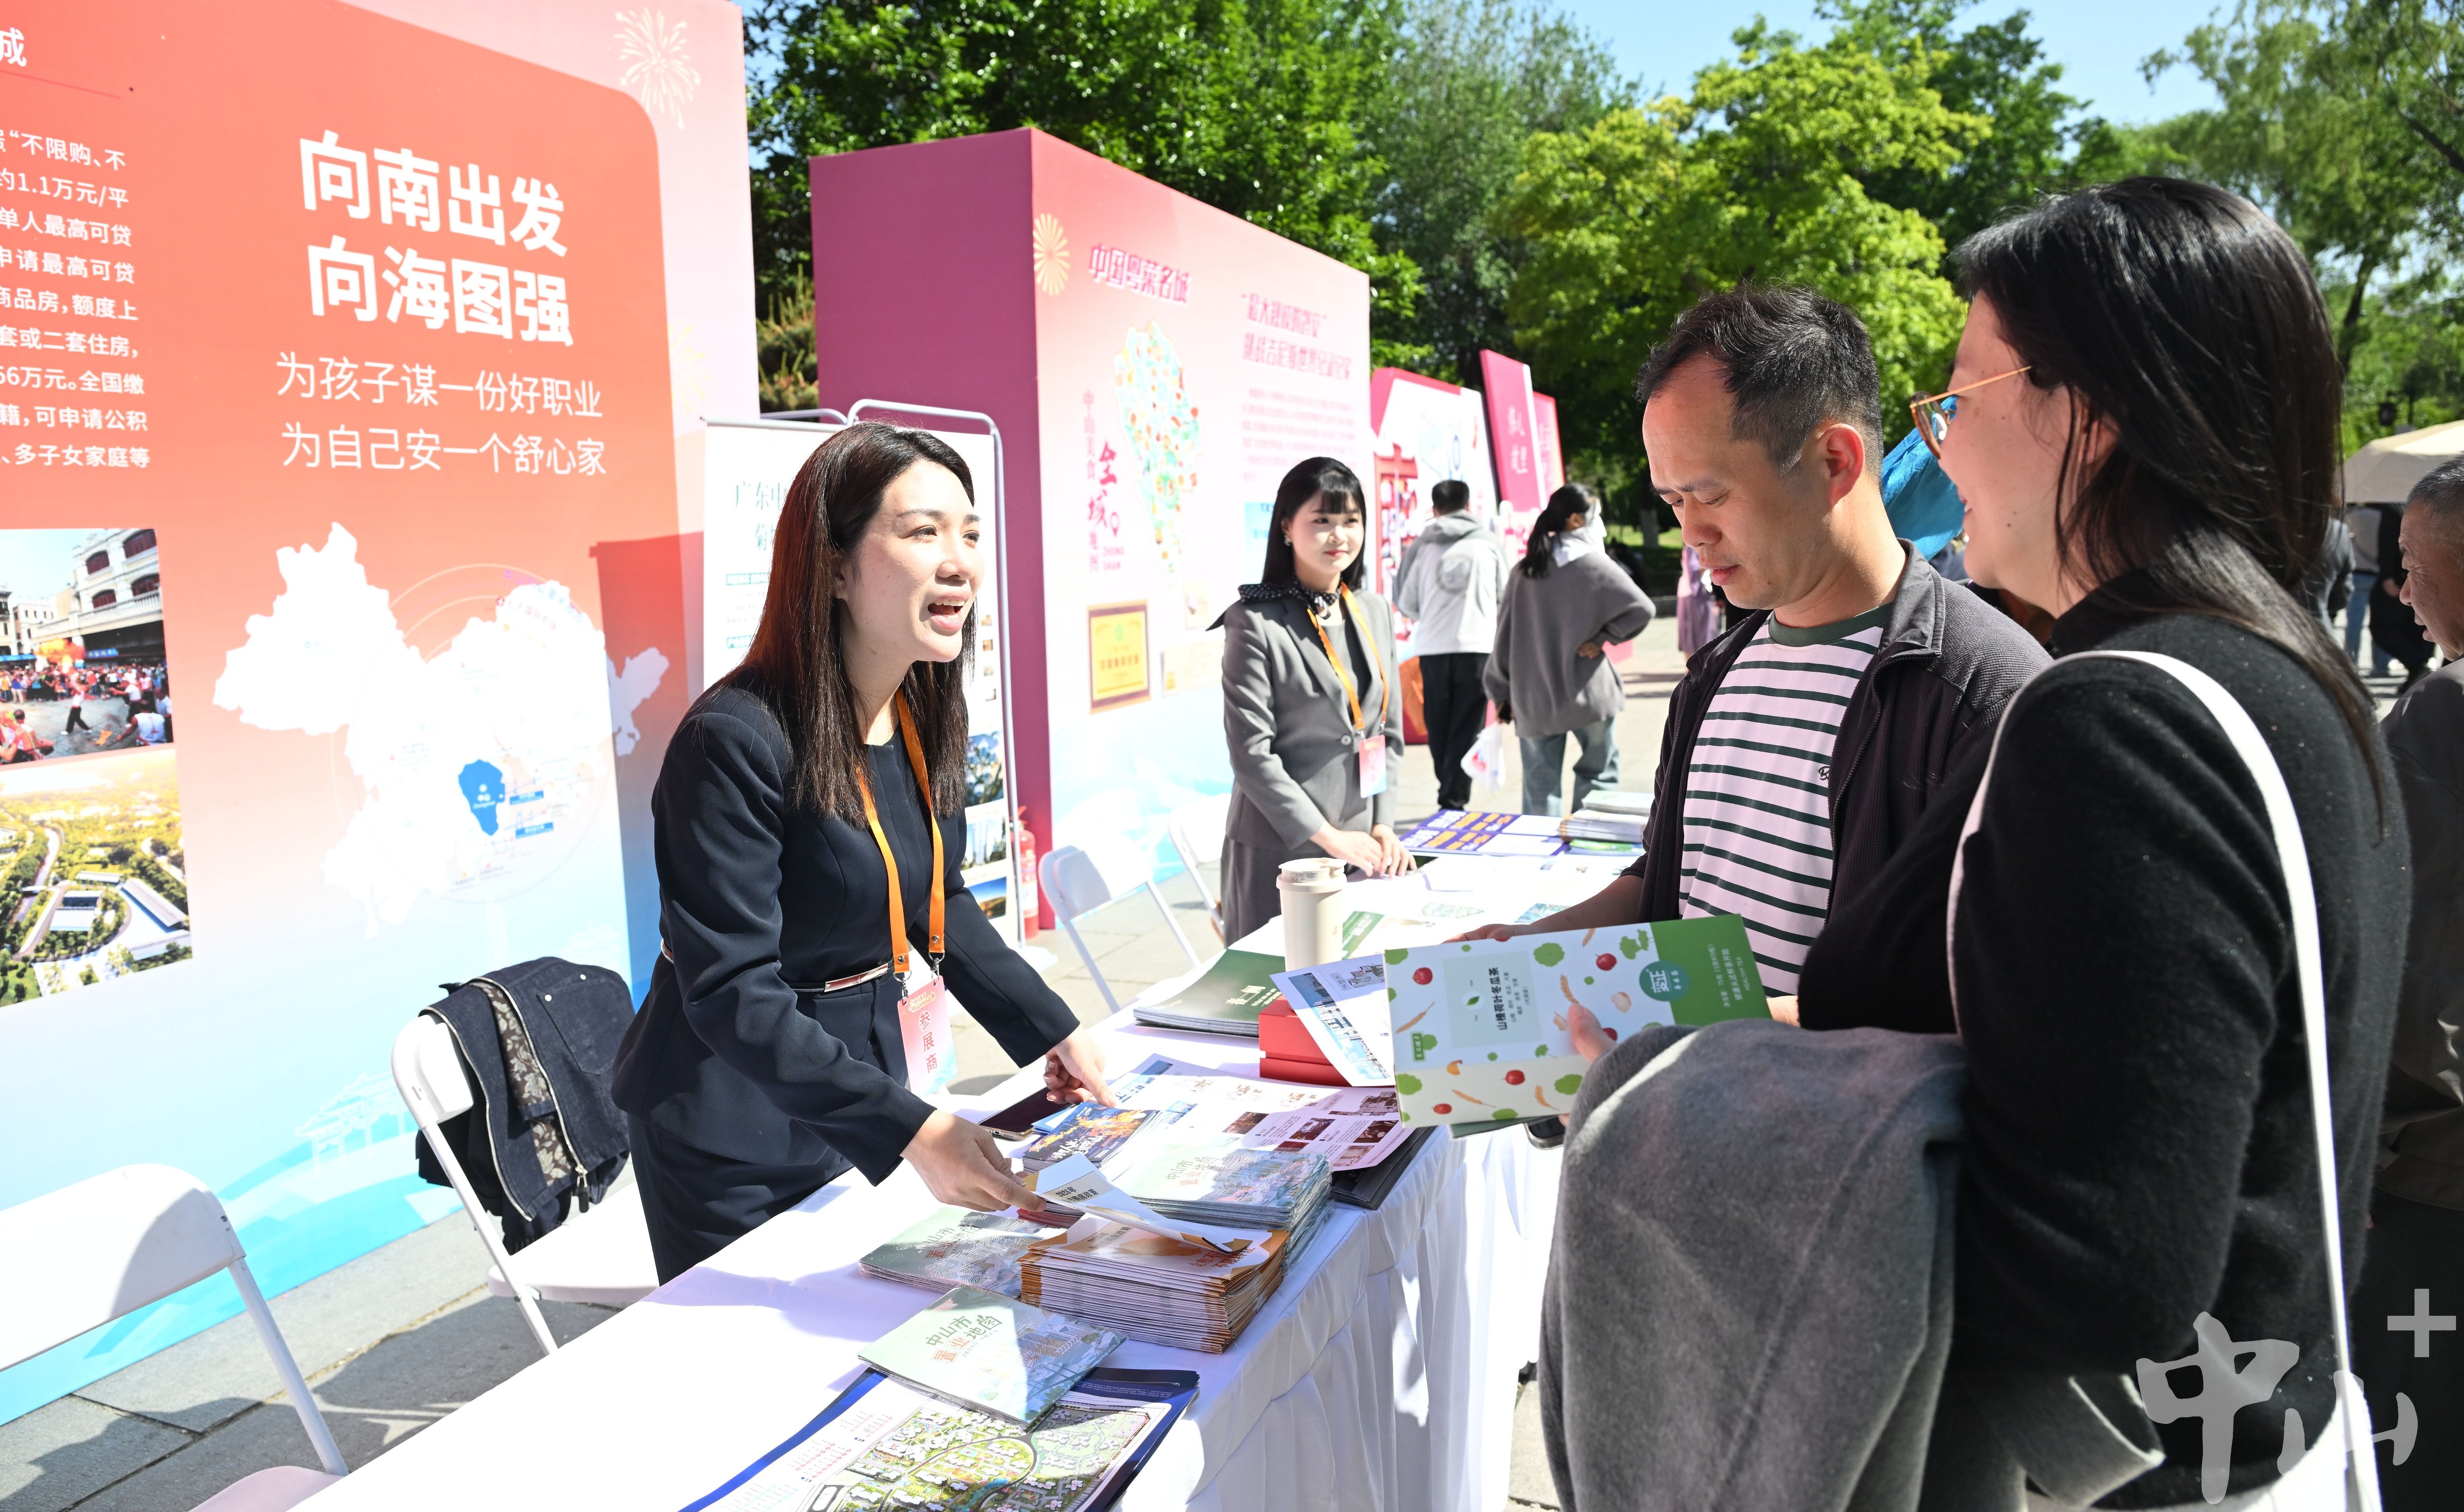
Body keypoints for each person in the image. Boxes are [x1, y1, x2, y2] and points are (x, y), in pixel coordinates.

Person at [1686, 179, 2402, 1506]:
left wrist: (1695, 1130)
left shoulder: (2116, 719)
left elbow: (2094, 1273)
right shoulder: (2290, 678)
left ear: (2093, 411)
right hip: (2274, 1433)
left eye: (1960, 397)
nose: (1938, 449)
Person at [610, 423, 1113, 1283]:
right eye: (923, 532)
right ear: (834, 567)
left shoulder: (921, 710)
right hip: (735, 1125)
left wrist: (1049, 1028)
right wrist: (912, 1129)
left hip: (864, 1086)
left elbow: (938, 899)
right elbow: (731, 989)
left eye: (969, 534)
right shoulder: (732, 739)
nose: (959, 562)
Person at [1466, 284, 2045, 1000]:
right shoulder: (1713, 672)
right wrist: (1533, 943)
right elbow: (1670, 878)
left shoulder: (1986, 695)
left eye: (1710, 495)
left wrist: (1750, 1039)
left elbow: (1984, 1010)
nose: (1692, 533)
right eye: (1673, 502)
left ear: (1834, 460)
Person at [2350, 458, 2464, 1512]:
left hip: (2434, 1183)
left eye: (2413, 566)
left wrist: (2362, 1152)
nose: (2401, 589)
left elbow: (2402, 974)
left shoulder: (2433, 725)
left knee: (2416, 1452)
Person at [1216, 457, 1412, 943]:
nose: (1338, 535)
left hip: (1363, 849)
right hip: (1281, 852)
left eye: (1351, 520)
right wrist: (1330, 838)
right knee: (1271, 982)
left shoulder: (1373, 609)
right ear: (1287, 526)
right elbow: (1252, 756)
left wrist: (1384, 824)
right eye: (1322, 520)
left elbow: (1385, 733)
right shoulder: (1253, 622)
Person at [1484, 484, 1653, 816]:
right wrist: (1605, 637)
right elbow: (1643, 609)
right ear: (1576, 520)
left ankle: (1540, 845)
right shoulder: (1594, 565)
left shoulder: (1525, 570)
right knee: (1599, 775)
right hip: (1588, 691)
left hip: (1535, 698)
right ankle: (1587, 838)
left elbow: (1504, 637)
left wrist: (1500, 692)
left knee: (1539, 784)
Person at [1393, 477, 1507, 811]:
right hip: (1478, 644)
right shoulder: (1489, 543)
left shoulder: (1422, 546)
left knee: (1438, 722)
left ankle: (1449, 792)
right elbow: (1505, 595)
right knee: (1468, 723)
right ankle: (1453, 796)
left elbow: (1406, 601)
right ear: (1469, 506)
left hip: (1433, 646)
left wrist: (1432, 612)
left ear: (1435, 509)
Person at [2375, 503, 2437, 690]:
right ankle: (2419, 668)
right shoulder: (2426, 503)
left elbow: (2388, 542)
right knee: (2417, 626)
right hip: (2415, 577)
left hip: (2400, 579)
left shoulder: (2396, 508)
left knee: (2384, 628)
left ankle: (2419, 666)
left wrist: (2387, 575)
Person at [2347, 501, 2387, 671]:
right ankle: (2381, 665)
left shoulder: (2354, 517)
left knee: (2354, 621)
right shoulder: (2386, 517)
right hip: (2381, 576)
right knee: (2381, 621)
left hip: (2358, 573)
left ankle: (2351, 661)